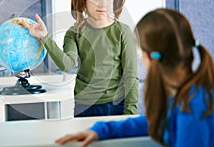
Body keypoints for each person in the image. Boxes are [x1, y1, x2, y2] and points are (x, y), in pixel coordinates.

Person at [55, 8, 214, 147]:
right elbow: (155, 123)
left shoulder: (192, 106)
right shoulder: (186, 96)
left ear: (149, 57)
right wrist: (102, 130)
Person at [22, 0, 139, 116]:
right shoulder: (74, 33)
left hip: (116, 105)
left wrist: (131, 113)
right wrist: (45, 37)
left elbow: (131, 75)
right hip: (84, 106)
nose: (103, 4)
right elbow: (67, 65)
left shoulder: (122, 32)